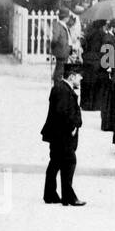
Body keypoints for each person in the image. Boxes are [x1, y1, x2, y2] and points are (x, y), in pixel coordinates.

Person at [41, 62, 86, 206]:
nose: (81, 79)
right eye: (79, 76)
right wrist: (72, 127)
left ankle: (50, 195)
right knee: (69, 163)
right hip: (63, 135)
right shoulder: (63, 90)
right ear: (72, 76)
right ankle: (69, 197)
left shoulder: (61, 87)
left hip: (57, 134)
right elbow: (62, 113)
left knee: (55, 163)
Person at [49, 8, 71, 83]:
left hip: (64, 50)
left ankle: (57, 82)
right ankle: (57, 83)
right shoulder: (58, 25)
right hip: (61, 50)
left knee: (61, 68)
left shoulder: (64, 25)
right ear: (65, 17)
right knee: (60, 69)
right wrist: (54, 47)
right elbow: (55, 39)